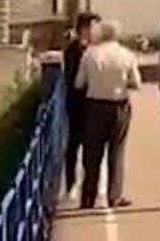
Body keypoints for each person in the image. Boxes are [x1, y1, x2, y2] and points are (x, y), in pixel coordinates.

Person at [74, 20, 142, 210]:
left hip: (95, 106)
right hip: (119, 105)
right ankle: (115, 196)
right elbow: (137, 83)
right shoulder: (126, 55)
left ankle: (88, 197)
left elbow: (79, 82)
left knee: (92, 154)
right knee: (117, 151)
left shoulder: (90, 54)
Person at [62, 12, 98, 197]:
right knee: (74, 143)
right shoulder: (74, 50)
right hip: (77, 102)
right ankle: (71, 184)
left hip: (92, 103)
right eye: (92, 27)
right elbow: (72, 78)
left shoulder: (94, 49)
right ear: (83, 28)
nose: (94, 31)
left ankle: (88, 184)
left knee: (91, 145)